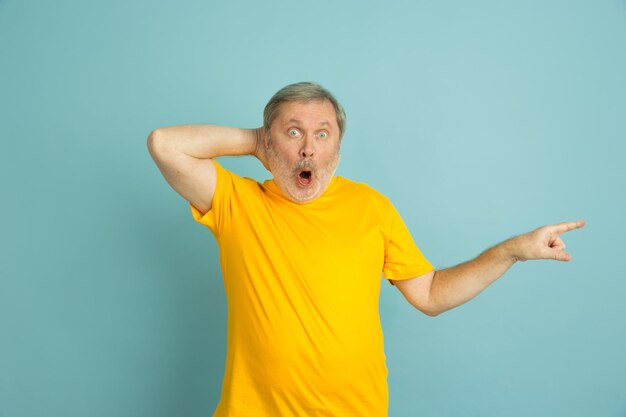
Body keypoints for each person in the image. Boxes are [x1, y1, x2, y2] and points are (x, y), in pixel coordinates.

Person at [147, 81, 585, 417]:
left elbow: (430, 293)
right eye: (292, 132)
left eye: (323, 134)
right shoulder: (236, 202)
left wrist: (513, 250)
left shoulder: (371, 207)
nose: (307, 148)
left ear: (338, 146)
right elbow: (165, 145)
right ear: (269, 142)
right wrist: (252, 140)